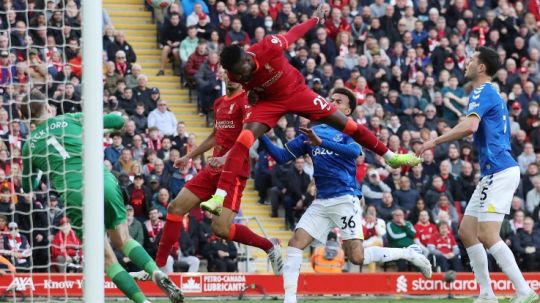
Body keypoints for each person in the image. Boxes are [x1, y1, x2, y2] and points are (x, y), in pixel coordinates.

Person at [199, 3, 422, 215]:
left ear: (248, 58)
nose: (241, 77)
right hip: (269, 103)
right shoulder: (234, 71)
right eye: (236, 75)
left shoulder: (269, 46)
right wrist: (253, 93)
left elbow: (295, 33)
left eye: (242, 71)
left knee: (349, 125)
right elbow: (247, 88)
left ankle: (390, 156)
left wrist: (315, 18)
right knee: (243, 139)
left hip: (296, 92)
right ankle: (219, 197)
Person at [259, 88, 431, 303]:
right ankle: (290, 299)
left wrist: (322, 143)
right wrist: (261, 135)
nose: (332, 102)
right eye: (330, 100)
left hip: (345, 198)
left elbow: (354, 153)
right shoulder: (314, 131)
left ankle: (409, 253)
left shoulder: (351, 131)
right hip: (321, 201)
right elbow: (282, 156)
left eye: (338, 101)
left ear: (348, 110)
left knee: (357, 257)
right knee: (295, 243)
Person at [20, 90, 182, 303]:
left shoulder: (29, 145)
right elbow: (117, 120)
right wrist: (100, 125)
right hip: (101, 180)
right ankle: (155, 272)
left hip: (74, 193)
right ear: (48, 107)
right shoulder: (70, 118)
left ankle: (143, 302)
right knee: (124, 239)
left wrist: (40, 170)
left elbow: (27, 185)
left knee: (106, 258)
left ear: (26, 119)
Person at [418, 47, 538, 303]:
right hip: (493, 172)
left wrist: (435, 141)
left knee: (487, 234)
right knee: (467, 231)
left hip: (500, 170)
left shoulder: (481, 91)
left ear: (481, 67)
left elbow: (470, 126)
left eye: (471, 59)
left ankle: (524, 290)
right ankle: (486, 293)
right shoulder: (489, 92)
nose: (467, 63)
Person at [153, 72, 283, 276]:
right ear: (222, 76)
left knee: (220, 229)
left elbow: (247, 137)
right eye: (228, 74)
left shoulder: (246, 102)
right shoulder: (219, 102)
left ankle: (269, 246)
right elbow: (215, 136)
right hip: (212, 169)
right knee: (175, 207)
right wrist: (189, 156)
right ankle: (158, 266)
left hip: (234, 172)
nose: (231, 77)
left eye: (235, 74)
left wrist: (226, 158)